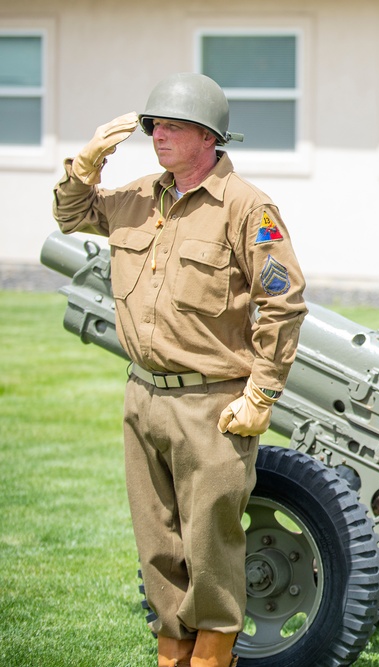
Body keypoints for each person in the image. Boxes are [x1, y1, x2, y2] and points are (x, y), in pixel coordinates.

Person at [52, 72, 308, 667]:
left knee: (210, 539)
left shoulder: (247, 208)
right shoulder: (140, 196)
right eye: (152, 126)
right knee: (157, 540)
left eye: (169, 126)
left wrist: (261, 394)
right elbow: (73, 215)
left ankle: (214, 652)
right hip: (144, 397)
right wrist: (84, 165)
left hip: (211, 404)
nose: (156, 136)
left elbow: (283, 302)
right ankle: (173, 648)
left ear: (207, 136)